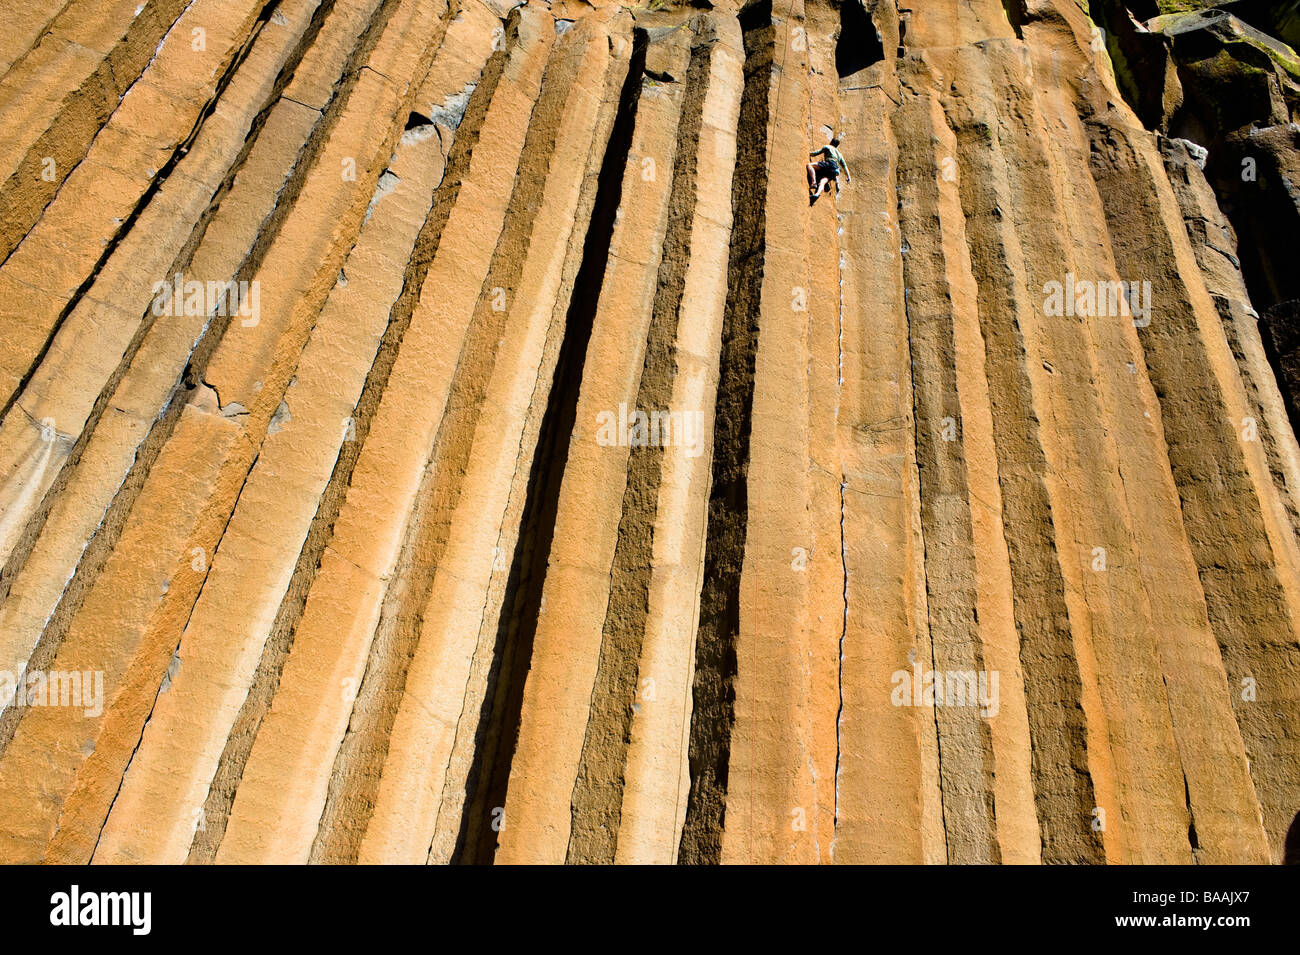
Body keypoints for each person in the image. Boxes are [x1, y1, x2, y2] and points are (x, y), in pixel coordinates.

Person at [808, 137, 850, 202]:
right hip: (835, 170)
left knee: (810, 165)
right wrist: (848, 177)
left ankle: (813, 183)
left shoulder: (828, 147)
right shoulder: (839, 154)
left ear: (831, 142)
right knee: (822, 182)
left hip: (829, 164)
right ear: (837, 146)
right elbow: (844, 166)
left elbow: (817, 153)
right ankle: (817, 194)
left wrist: (809, 153)